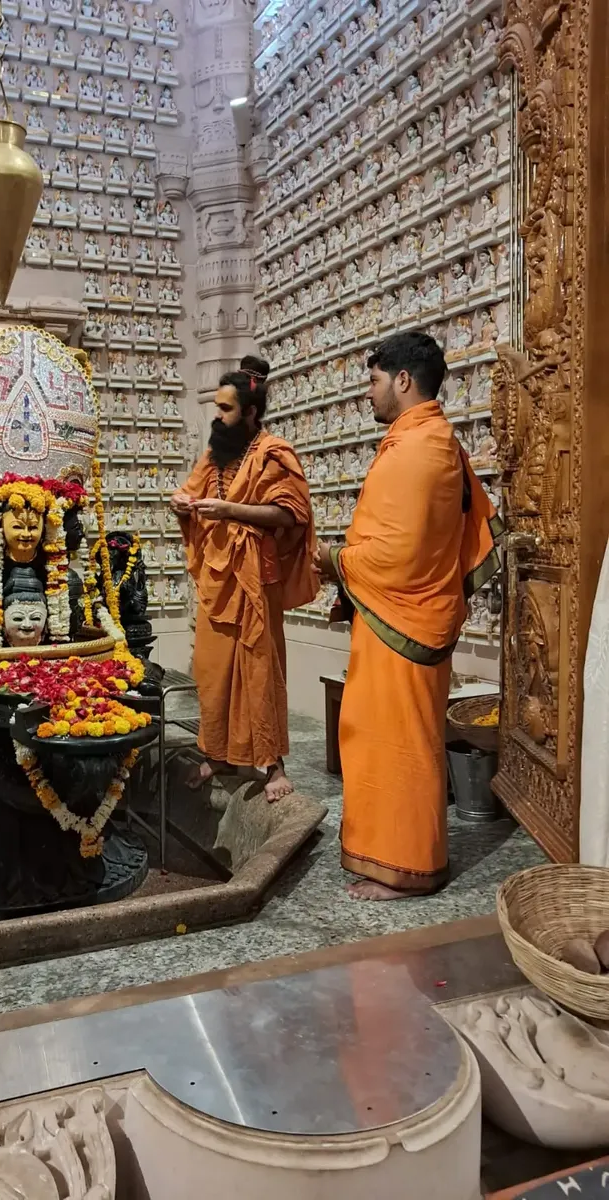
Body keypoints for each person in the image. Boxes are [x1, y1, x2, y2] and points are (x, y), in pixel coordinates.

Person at [315, 332, 501, 901]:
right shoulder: (428, 441)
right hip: (399, 616)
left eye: (374, 381)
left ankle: (410, 868)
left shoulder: (420, 448)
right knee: (379, 739)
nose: (368, 393)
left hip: (404, 620)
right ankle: (387, 858)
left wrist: (332, 559)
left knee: (402, 747)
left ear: (402, 380)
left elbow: (400, 554)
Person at [171, 356, 318, 802]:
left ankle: (273, 765)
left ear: (251, 412)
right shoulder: (214, 454)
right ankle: (217, 754)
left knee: (259, 669)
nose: (217, 416)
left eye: (226, 409)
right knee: (212, 671)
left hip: (255, 577)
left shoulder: (273, 452)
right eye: (216, 407)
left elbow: (290, 514)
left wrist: (230, 510)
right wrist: (181, 504)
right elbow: (191, 492)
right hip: (217, 578)